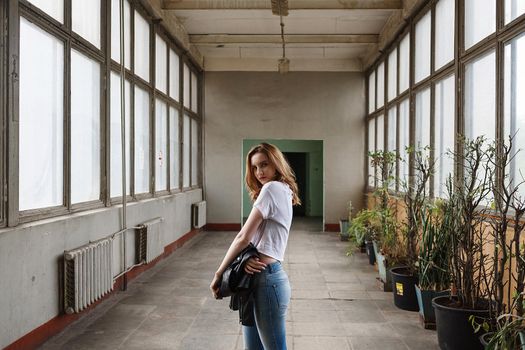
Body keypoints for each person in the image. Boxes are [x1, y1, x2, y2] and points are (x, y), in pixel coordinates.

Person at [210, 142, 301, 350]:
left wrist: (219, 273)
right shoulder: (284, 189)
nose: (259, 172)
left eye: (264, 165)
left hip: (267, 280)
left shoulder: (271, 189)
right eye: (254, 167)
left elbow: (243, 237)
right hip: (257, 278)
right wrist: (248, 258)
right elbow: (260, 239)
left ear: (276, 164)